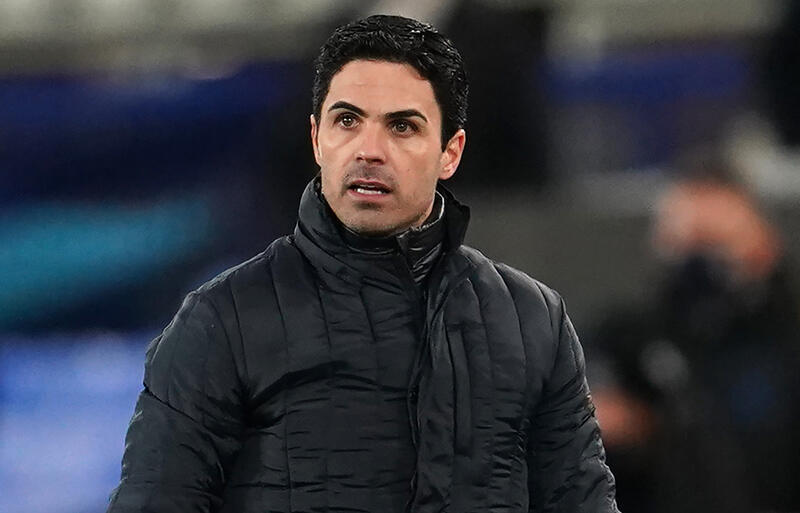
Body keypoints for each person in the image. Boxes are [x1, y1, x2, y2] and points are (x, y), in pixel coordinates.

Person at [107, 14, 618, 513]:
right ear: (316, 139)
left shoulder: (532, 321)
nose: (369, 150)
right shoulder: (222, 320)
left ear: (451, 152)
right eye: (347, 121)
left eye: (402, 126)